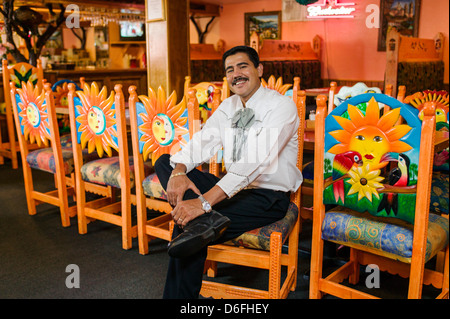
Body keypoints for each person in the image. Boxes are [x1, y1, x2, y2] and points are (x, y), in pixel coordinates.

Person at [154, 45, 302, 298]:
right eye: (230, 70)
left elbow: (255, 163)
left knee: (188, 228)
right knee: (165, 161)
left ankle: (200, 227)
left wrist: (202, 204)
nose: (236, 74)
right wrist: (179, 172)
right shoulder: (229, 106)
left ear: (259, 69)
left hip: (267, 197)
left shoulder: (281, 107)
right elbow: (200, 143)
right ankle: (206, 223)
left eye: (243, 66)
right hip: (232, 190)